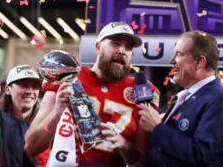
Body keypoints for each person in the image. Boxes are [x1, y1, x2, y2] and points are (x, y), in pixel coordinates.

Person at [25, 21, 160, 167]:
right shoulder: (68, 77)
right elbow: (31, 148)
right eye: (115, 43)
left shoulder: (142, 91)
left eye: (128, 47)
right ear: (98, 47)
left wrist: (125, 146)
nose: (122, 50)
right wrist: (56, 113)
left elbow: (142, 162)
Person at [139, 30, 223, 167]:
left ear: (199, 62)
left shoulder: (220, 99)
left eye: (179, 54)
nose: (172, 60)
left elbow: (203, 154)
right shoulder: (181, 99)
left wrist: (157, 129)